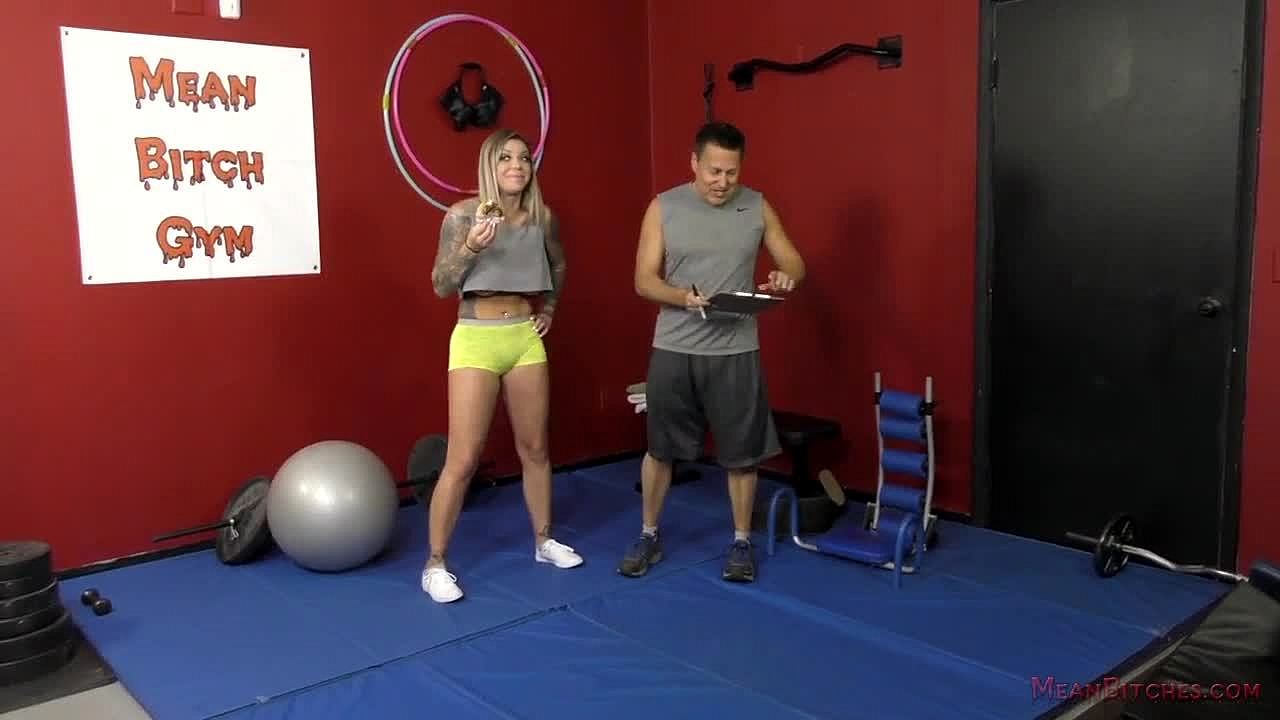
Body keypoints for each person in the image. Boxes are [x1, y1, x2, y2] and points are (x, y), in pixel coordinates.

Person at [621, 121, 806, 583]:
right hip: (675, 346)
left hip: (736, 350)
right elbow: (643, 280)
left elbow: (793, 261)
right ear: (694, 164)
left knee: (742, 455)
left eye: (731, 172)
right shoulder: (664, 206)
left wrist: (786, 276)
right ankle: (648, 534)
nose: (722, 182)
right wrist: (682, 297)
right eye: (714, 172)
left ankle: (741, 542)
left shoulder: (756, 205)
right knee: (660, 449)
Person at [422, 128, 582, 604]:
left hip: (523, 338)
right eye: (505, 158)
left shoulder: (541, 218)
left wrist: (549, 308)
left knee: (535, 447)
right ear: (489, 166)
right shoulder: (462, 215)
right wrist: (471, 246)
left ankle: (543, 540)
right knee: (462, 459)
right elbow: (440, 283)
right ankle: (435, 564)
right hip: (476, 337)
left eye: (524, 158)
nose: (517, 165)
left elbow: (559, 266)